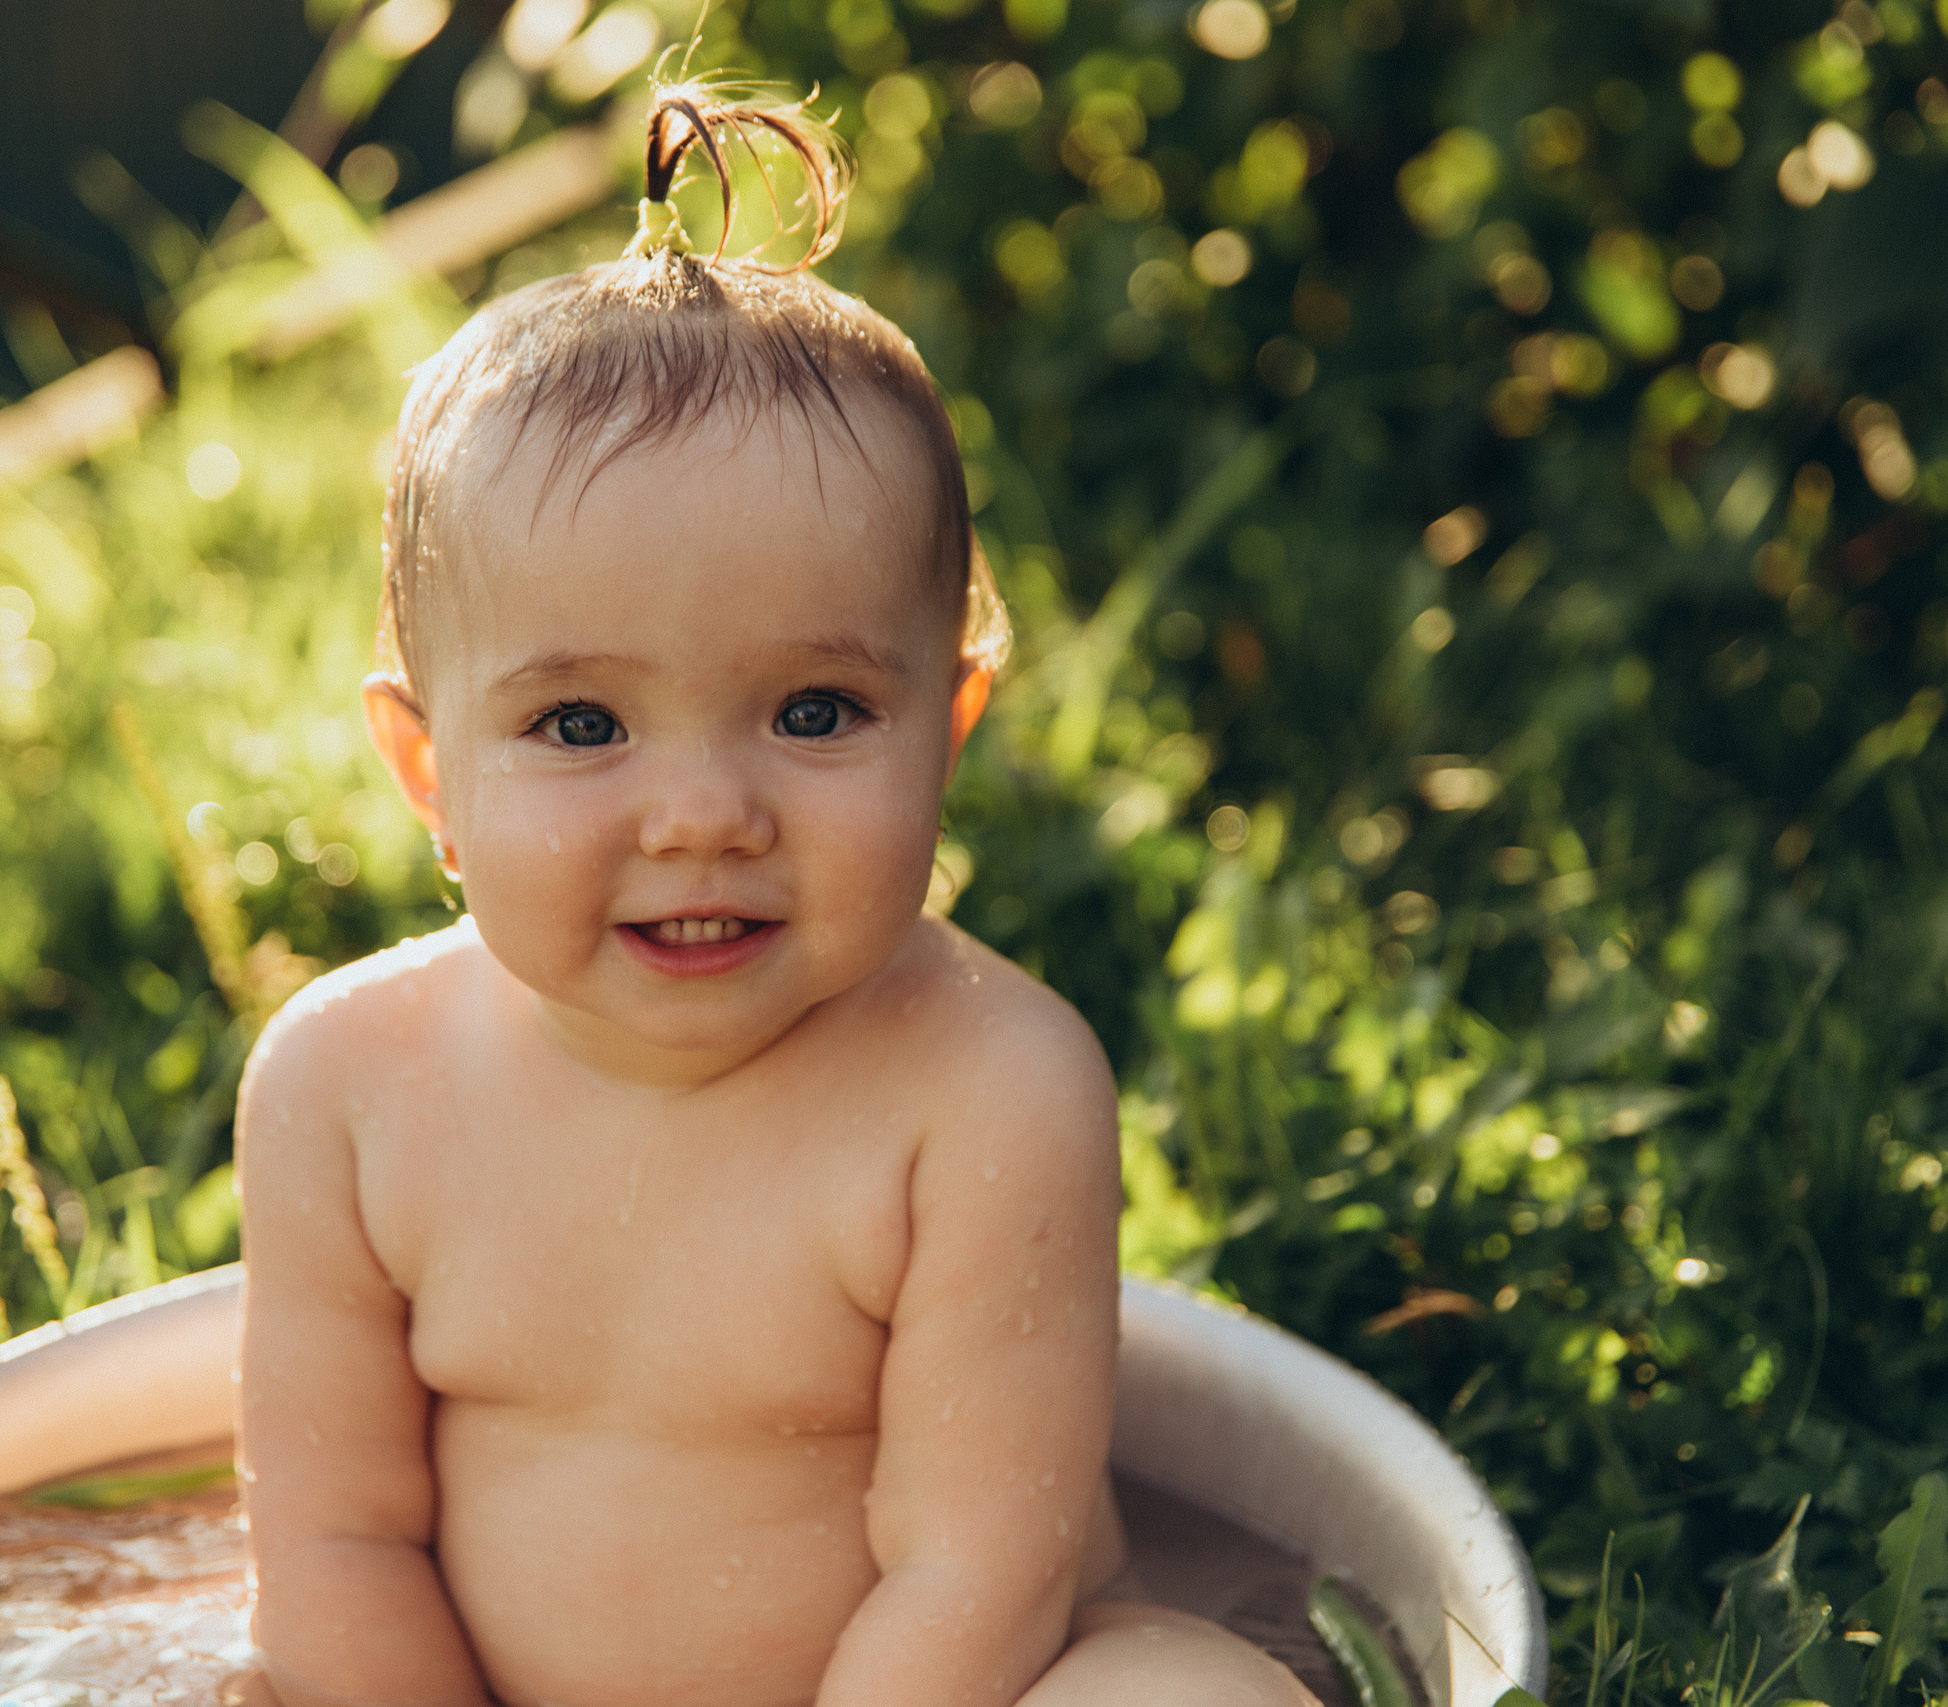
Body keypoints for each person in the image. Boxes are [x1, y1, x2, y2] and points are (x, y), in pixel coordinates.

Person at [233, 81, 1317, 1707]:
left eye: (815, 713)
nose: (702, 816)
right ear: (428, 775)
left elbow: (973, 1579)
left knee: (1199, 1701)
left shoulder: (986, 1093)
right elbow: (332, 1549)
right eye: (580, 725)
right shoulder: (346, 1087)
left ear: (945, 731)